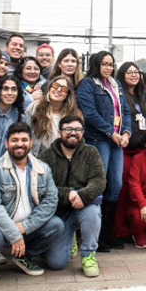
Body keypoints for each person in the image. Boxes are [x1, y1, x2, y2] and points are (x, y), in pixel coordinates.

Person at [0, 121, 63, 283]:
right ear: (6, 143)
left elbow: (51, 201)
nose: (19, 144)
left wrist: (26, 226)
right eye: (14, 140)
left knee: (56, 225)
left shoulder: (43, 168)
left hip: (25, 225)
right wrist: (14, 233)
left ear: (31, 143)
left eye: (24, 140)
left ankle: (24, 256)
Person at [39, 115, 106, 277]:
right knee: (56, 264)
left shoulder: (91, 152)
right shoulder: (47, 156)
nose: (73, 133)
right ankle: (70, 240)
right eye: (68, 129)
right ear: (60, 131)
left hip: (82, 208)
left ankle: (89, 255)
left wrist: (82, 195)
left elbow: (99, 181)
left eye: (77, 130)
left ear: (83, 132)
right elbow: (41, 187)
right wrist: (67, 194)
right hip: (58, 215)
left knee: (93, 211)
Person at [76, 50, 128, 252]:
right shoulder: (88, 84)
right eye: (104, 64)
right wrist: (109, 132)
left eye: (111, 64)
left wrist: (126, 133)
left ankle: (108, 233)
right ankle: (95, 237)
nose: (108, 67)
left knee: (116, 185)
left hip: (117, 141)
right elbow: (89, 113)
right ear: (96, 64)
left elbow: (124, 112)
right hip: (99, 139)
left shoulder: (116, 84)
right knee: (100, 184)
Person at [113, 61, 146, 242]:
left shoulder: (144, 96)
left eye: (136, 72)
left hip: (143, 150)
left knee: (140, 190)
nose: (133, 75)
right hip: (124, 150)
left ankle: (136, 227)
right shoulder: (118, 95)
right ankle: (120, 230)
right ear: (122, 75)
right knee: (123, 189)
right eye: (129, 72)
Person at [26, 76, 79, 156]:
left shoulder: (74, 115)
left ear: (68, 95)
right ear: (49, 88)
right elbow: (26, 135)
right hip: (38, 159)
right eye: (55, 86)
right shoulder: (34, 108)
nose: (58, 90)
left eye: (64, 89)